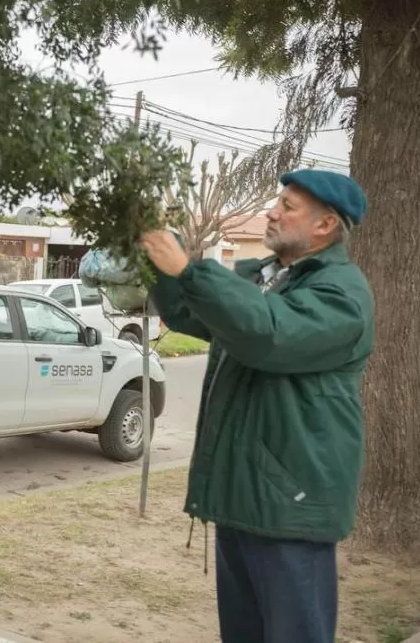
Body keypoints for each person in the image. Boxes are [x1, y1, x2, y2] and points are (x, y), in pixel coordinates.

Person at [139, 169, 375, 643]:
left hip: (291, 504)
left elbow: (268, 333)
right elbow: (190, 311)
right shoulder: (265, 279)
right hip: (242, 497)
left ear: (324, 225)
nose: (272, 212)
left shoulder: (341, 294)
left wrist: (189, 269)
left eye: (287, 206)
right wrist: (156, 262)